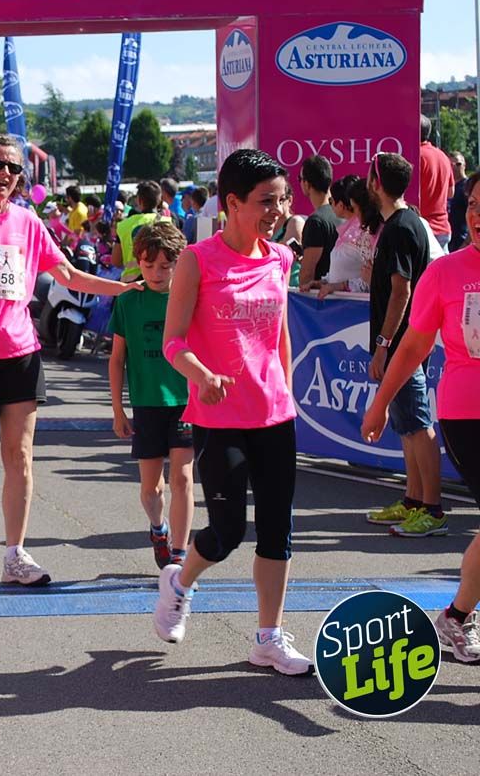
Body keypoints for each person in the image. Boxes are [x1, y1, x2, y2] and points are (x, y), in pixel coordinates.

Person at [0, 134, 137, 586]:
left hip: (20, 354)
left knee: (21, 458)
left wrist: (122, 289)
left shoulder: (27, 223)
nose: (5, 175)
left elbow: (66, 273)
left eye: (13, 169)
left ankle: (15, 554)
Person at [154, 148, 312, 676]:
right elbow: (172, 342)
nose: (278, 209)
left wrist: (285, 393)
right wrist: (201, 376)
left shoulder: (281, 258)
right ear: (232, 203)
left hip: (274, 415)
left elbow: (281, 334)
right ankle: (179, 582)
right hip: (218, 418)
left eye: (283, 198)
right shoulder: (199, 259)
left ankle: (268, 637)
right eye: (267, 201)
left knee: (277, 530)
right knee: (225, 533)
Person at [362, 170, 480, 663]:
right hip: (468, 414)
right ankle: (457, 617)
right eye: (474, 204)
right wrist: (381, 401)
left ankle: (455, 616)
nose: (477, 215)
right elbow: (413, 345)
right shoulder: (446, 272)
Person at [362, 153, 442, 537]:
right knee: (407, 424)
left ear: (377, 182)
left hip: (404, 344)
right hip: (402, 342)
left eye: (368, 176)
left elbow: (401, 290)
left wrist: (383, 344)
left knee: (418, 424)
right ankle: (414, 500)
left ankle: (433, 509)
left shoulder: (399, 227)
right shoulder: (401, 224)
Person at [109, 222, 194, 569]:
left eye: (165, 265)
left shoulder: (190, 297)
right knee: (151, 488)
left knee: (183, 479)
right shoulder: (129, 301)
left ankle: (179, 553)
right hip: (146, 403)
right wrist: (118, 410)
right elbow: (116, 360)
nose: (157, 273)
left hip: (185, 401)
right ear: (138, 263)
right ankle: (157, 528)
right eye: (148, 265)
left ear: (178, 264)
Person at [316, 175, 372, 298]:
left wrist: (340, 286)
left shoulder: (365, 233)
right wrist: (322, 282)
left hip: (357, 309)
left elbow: (371, 279)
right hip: (339, 306)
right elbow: (342, 269)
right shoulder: (346, 231)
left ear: (341, 204)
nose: (331, 205)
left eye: (331, 201)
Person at [297, 155, 340, 287]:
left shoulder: (316, 221)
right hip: (344, 294)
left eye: (300, 179)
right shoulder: (345, 212)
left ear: (307, 184)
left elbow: (307, 273)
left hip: (321, 299)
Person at [112, 181, 168, 281]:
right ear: (160, 200)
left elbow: (116, 261)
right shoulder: (168, 223)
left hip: (131, 284)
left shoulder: (123, 225)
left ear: (139, 200)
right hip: (160, 282)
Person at [418, 114, 453, 251]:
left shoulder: (415, 156)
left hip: (423, 230)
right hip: (443, 228)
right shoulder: (442, 156)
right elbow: (450, 193)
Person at [448, 151, 469, 252]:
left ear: (464, 165)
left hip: (463, 241)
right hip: (449, 241)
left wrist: (467, 242)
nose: (455, 167)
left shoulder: (469, 187)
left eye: (458, 164)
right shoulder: (448, 187)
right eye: (451, 164)